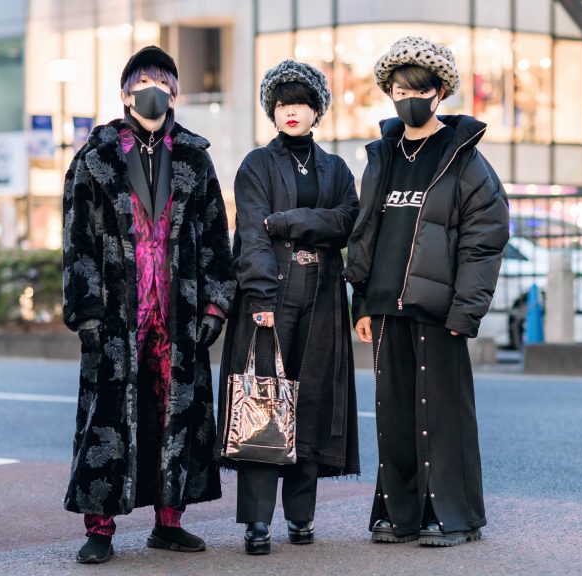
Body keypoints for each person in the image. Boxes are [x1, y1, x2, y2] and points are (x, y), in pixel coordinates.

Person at [61, 45, 235, 564]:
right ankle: (100, 528)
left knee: (175, 415)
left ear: (175, 93)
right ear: (124, 92)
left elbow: (214, 238)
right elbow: (77, 240)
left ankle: (169, 521)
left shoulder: (195, 157)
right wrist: (85, 309)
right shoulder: (95, 158)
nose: (152, 90)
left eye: (162, 81)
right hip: (117, 315)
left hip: (177, 313)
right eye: (142, 82)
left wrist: (215, 305)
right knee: (108, 418)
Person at [343, 36, 510, 547]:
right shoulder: (383, 155)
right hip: (387, 307)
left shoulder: (464, 159)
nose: (406, 97)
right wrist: (363, 302)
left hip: (439, 310)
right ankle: (400, 513)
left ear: (440, 92)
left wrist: (467, 309)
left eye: (418, 89)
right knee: (394, 415)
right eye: (397, 89)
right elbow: (365, 232)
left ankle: (455, 517)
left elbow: (485, 238)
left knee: (443, 414)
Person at [215, 60, 360, 555]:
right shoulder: (256, 164)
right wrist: (259, 297)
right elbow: (252, 232)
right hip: (271, 299)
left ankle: (301, 518)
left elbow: (347, 222)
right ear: (271, 112)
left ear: (317, 110)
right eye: (281, 104)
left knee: (310, 403)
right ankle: (258, 524)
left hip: (321, 298)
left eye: (301, 102)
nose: (291, 111)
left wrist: (291, 220)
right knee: (263, 402)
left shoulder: (336, 168)